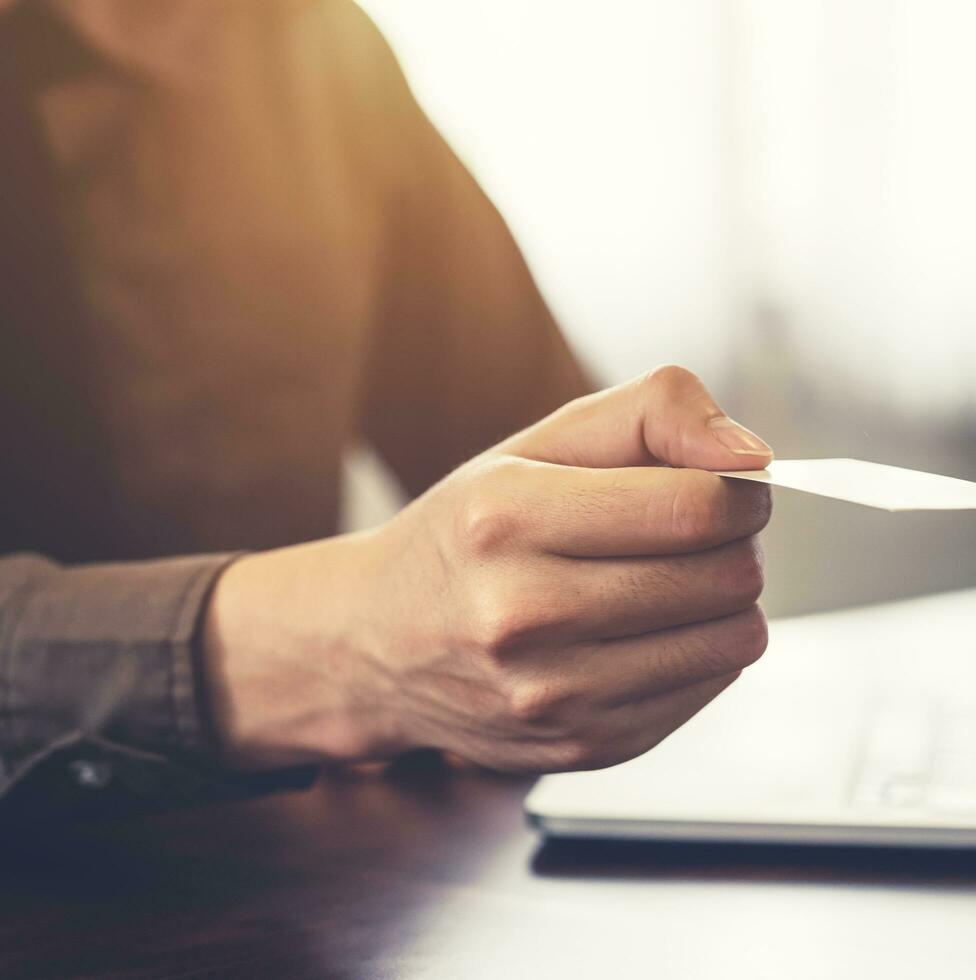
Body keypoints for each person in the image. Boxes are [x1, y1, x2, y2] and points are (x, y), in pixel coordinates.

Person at [0, 0, 774, 819]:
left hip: (287, 882)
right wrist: (334, 651)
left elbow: (547, 450)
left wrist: (603, 559)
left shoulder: (328, 53)